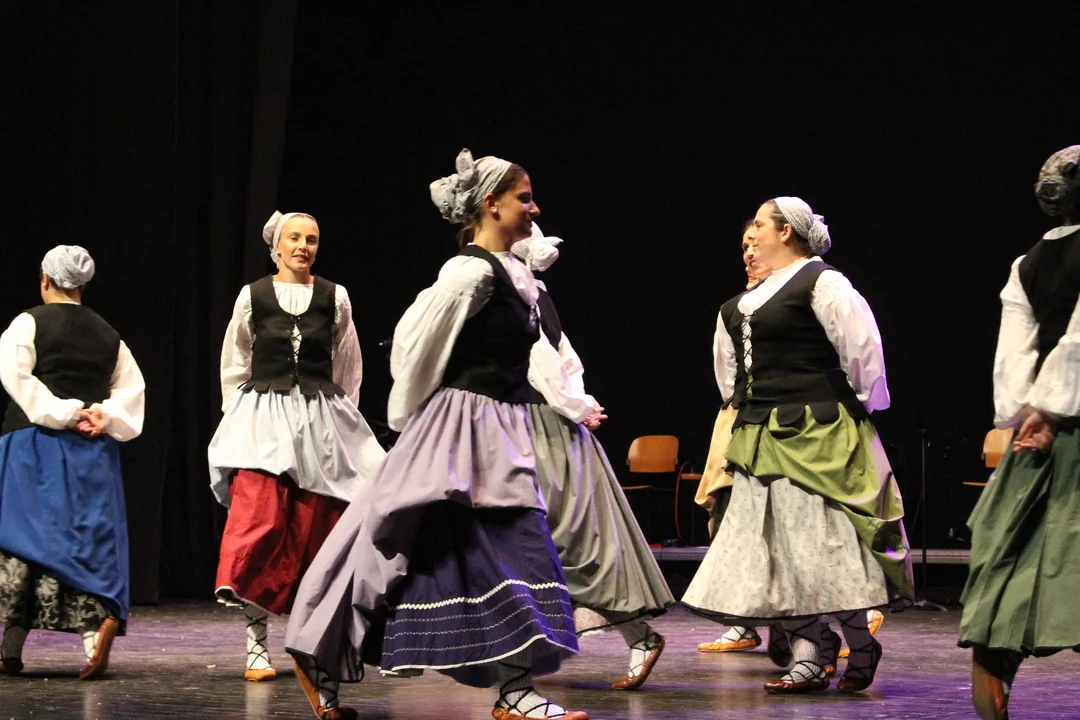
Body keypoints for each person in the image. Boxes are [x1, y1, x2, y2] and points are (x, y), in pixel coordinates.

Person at [285, 149, 587, 720]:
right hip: (458, 427)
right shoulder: (469, 273)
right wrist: (416, 423)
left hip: (503, 427)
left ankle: (516, 692)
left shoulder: (516, 275)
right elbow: (414, 347)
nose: (534, 208)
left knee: (507, 549)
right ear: (491, 204)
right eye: (524, 198)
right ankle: (319, 654)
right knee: (389, 539)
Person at [682, 197, 913, 694]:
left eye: (759, 226)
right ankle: (809, 655)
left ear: (785, 231)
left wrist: (851, 414)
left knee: (825, 544)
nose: (751, 238)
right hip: (759, 435)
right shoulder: (737, 306)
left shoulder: (821, 282)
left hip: (818, 428)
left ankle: (859, 641)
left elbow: (862, 353)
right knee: (775, 549)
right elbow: (730, 379)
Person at [207, 211, 386, 681]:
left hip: (319, 420)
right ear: (277, 245)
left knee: (315, 527)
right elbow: (235, 359)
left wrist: (338, 420)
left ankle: (313, 641)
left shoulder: (334, 296)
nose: (303, 246)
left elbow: (347, 363)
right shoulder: (253, 295)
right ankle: (256, 643)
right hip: (263, 422)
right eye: (294, 238)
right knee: (260, 523)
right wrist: (238, 416)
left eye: (311, 239)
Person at [516, 225, 673, 690]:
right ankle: (524, 651)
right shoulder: (525, 289)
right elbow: (563, 356)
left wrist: (575, 405)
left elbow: (547, 355)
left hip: (539, 424)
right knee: (544, 540)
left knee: (565, 539)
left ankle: (637, 635)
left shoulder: (526, 292)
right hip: (530, 421)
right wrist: (578, 403)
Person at [958, 144, 1080, 720]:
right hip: (1064, 421)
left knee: (1018, 548)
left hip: (1041, 434)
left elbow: (1014, 353)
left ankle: (994, 658)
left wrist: (1024, 412)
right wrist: (1050, 408)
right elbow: (1077, 339)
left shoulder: (1027, 263)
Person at [0, 245, 145, 679]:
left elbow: (17, 378)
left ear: (45, 279)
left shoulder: (28, 322)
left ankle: (10, 646)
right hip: (91, 450)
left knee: (24, 541)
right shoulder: (109, 334)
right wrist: (102, 415)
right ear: (83, 285)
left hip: (35, 445)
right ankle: (90, 639)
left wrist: (65, 413)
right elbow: (131, 391)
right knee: (87, 543)